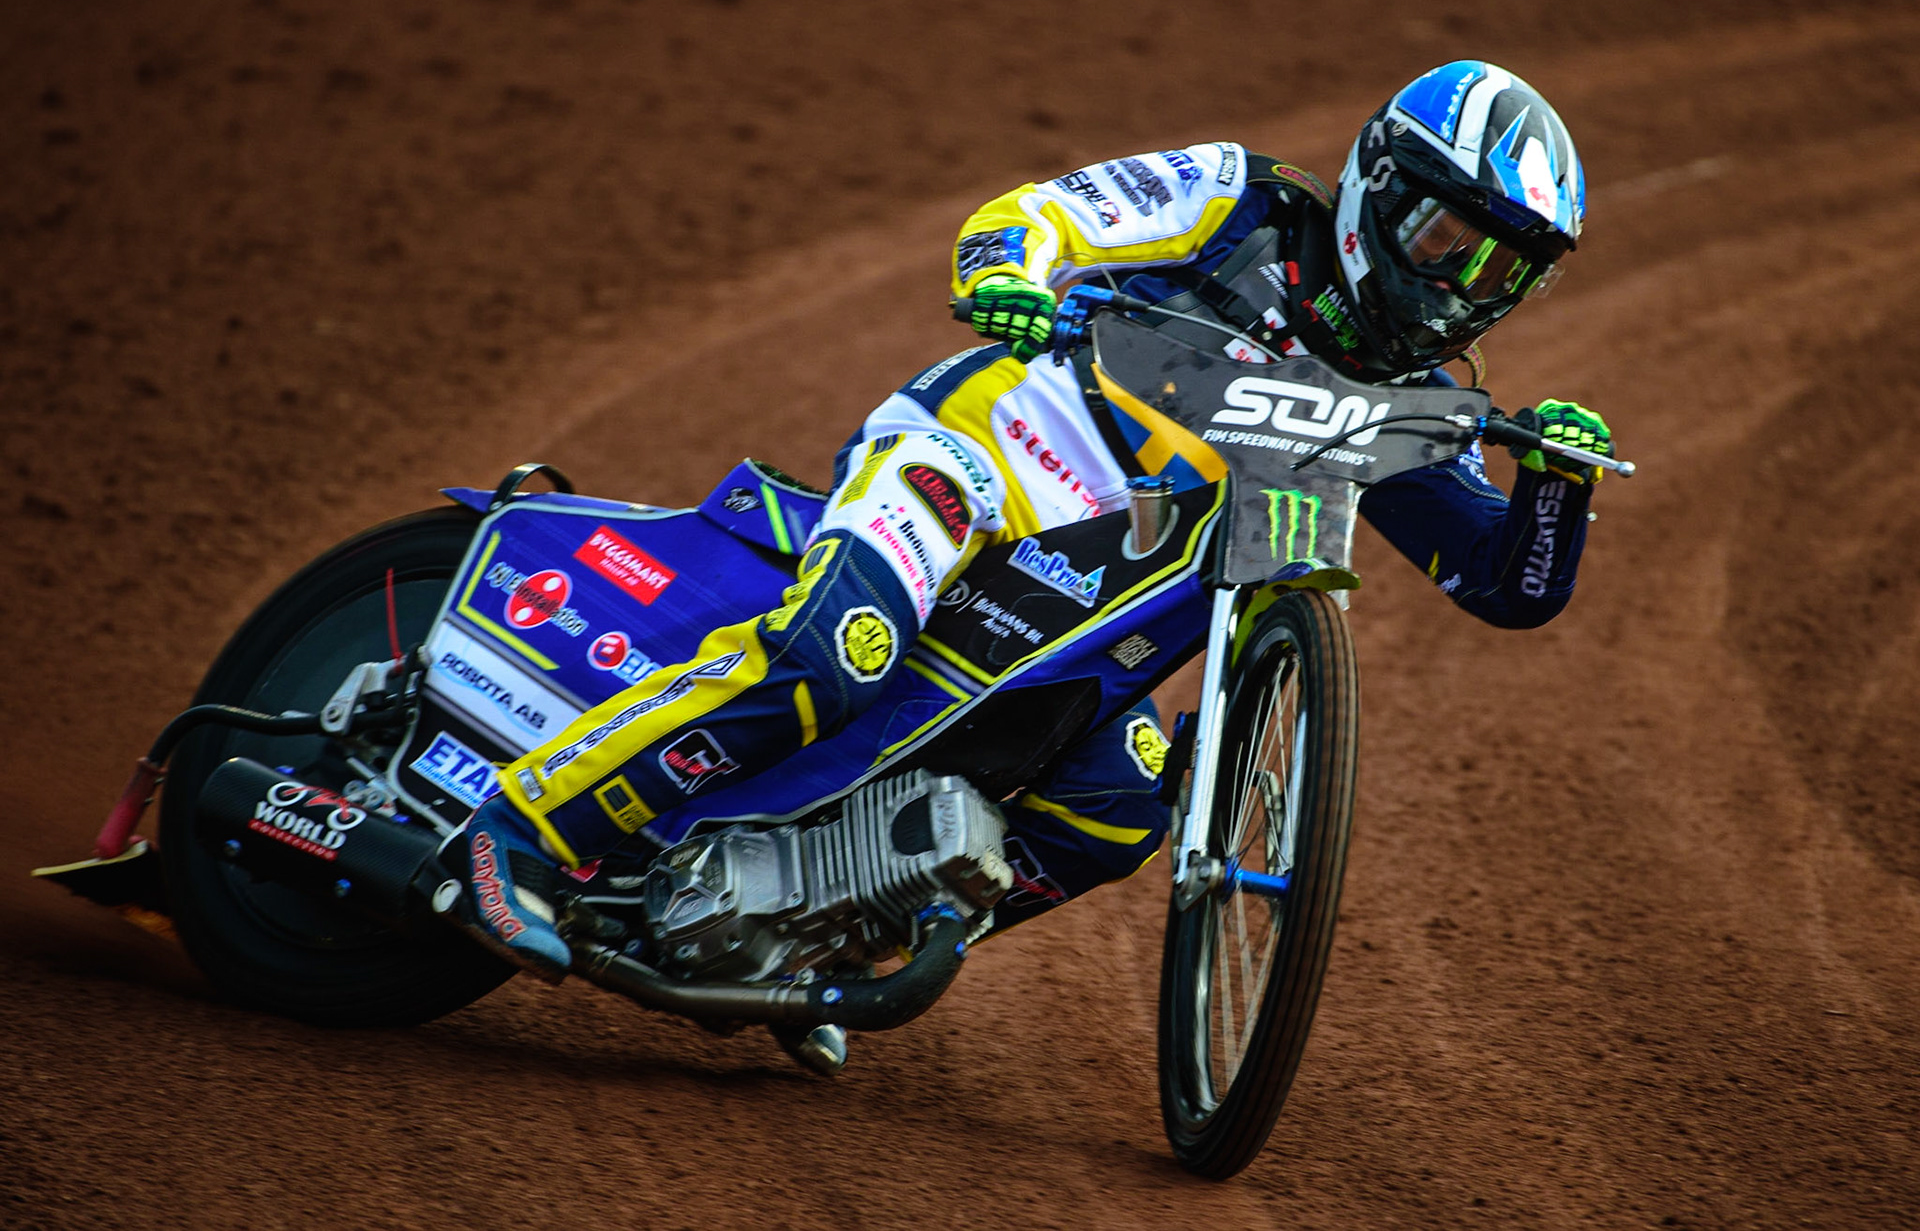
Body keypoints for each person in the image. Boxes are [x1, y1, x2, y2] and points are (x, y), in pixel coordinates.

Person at [458, 59, 1614, 987]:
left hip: (1088, 630)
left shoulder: (1401, 410)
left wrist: (1558, 481)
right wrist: (1009, 272)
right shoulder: (1243, 197)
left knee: (1118, 805)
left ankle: (825, 951)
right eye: (1449, 241)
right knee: (836, 653)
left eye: (1504, 273)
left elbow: (1506, 585)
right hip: (979, 456)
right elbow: (1040, 219)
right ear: (1382, 190)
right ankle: (513, 832)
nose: (1462, 284)